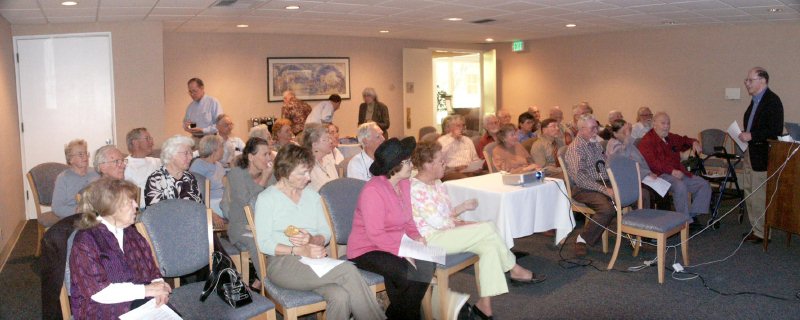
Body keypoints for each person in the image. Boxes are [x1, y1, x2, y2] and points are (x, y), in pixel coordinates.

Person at [410, 140, 544, 319]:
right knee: (488, 227)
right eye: (441, 161)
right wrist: (463, 224)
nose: (446, 164)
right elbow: (439, 223)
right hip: (431, 240)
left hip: (445, 232)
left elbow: (446, 214)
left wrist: (462, 211)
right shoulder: (416, 189)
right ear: (427, 164)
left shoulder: (437, 182)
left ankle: (484, 305)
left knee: (488, 245)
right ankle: (514, 268)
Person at [254, 144, 385, 320]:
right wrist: (298, 250)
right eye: (302, 173)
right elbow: (264, 243)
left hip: (314, 261)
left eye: (309, 171)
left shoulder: (312, 197)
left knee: (340, 297)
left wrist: (312, 239)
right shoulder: (266, 199)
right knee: (347, 270)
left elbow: (325, 233)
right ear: (285, 172)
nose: (308, 178)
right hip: (282, 264)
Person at [347, 137, 434, 320]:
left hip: (396, 242)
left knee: (427, 263)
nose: (412, 165)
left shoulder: (404, 184)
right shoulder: (373, 191)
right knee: (407, 275)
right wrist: (402, 251)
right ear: (394, 167)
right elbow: (375, 234)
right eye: (407, 162)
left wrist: (417, 238)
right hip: (367, 248)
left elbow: (409, 221)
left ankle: (393, 315)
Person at [69, 178, 170, 320]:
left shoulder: (131, 233)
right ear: (110, 208)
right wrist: (146, 290)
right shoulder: (86, 241)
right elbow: (99, 292)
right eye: (130, 202)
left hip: (138, 303)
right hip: (102, 310)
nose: (136, 205)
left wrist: (159, 288)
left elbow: (151, 269)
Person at [221, 137, 274, 290]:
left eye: (269, 154)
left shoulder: (272, 174)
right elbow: (246, 202)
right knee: (257, 241)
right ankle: (269, 285)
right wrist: (264, 178)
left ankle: (262, 281)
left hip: (264, 224)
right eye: (264, 155)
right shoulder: (236, 174)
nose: (269, 158)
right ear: (251, 157)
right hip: (241, 226)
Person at [739, 67, 784, 243]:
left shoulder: (772, 101)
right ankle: (756, 228)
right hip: (751, 152)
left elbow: (775, 130)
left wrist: (752, 135)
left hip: (763, 155)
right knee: (749, 191)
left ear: (762, 81)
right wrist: (745, 133)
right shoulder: (755, 101)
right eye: (747, 80)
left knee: (759, 194)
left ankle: (763, 233)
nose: (747, 83)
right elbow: (755, 126)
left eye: (750, 80)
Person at [638, 112, 711, 219]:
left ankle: (691, 216)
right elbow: (653, 163)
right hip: (659, 175)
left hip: (678, 172)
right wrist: (672, 171)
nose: (666, 126)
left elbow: (685, 140)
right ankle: (683, 222)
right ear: (654, 124)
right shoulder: (647, 141)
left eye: (668, 123)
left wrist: (694, 142)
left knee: (703, 184)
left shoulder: (670, 137)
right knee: (680, 187)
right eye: (663, 123)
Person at [564, 114, 614, 256]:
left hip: (601, 181)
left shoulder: (594, 143)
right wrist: (604, 189)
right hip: (583, 188)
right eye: (592, 128)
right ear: (581, 130)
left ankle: (636, 233)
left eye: (596, 127)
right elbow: (580, 178)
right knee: (607, 209)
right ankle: (582, 239)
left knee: (635, 194)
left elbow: (604, 165)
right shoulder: (576, 148)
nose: (596, 131)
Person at [606, 119, 654, 209]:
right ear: (615, 134)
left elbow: (640, 160)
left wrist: (648, 172)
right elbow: (624, 162)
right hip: (624, 180)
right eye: (624, 132)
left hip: (637, 175)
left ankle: (656, 219)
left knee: (659, 191)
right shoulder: (613, 144)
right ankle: (642, 220)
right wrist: (627, 138)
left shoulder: (626, 144)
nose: (627, 135)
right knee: (648, 193)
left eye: (628, 131)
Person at [144, 135, 202, 207]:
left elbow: (199, 206)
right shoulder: (156, 180)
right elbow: (155, 212)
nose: (190, 157)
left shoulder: (190, 178)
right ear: (171, 155)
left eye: (191, 153)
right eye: (186, 153)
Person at [53, 139, 99, 218]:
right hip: (75, 217)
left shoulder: (96, 173)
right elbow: (57, 208)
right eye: (80, 154)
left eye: (86, 153)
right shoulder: (63, 178)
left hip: (96, 215)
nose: (85, 156)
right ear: (70, 159)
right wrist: (79, 210)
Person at [189, 135, 226, 219]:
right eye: (221, 147)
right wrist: (210, 212)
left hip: (223, 201)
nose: (223, 150)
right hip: (210, 203)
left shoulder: (219, 165)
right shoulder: (198, 165)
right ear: (214, 149)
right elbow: (195, 194)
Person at [124, 128, 162, 207]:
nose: (152, 142)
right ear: (135, 143)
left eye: (151, 139)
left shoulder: (155, 161)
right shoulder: (124, 166)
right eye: (147, 139)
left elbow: (177, 158)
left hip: (161, 205)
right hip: (142, 209)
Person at [437, 114, 482, 180]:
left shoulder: (468, 140)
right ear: (450, 127)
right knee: (464, 179)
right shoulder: (442, 140)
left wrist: (478, 167)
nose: (462, 128)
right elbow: (438, 160)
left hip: (469, 171)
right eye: (458, 125)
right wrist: (453, 138)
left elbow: (475, 159)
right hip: (451, 172)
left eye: (463, 125)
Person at [302, 123, 338, 191]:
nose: (331, 141)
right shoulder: (306, 166)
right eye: (327, 139)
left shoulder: (328, 160)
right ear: (314, 144)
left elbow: (337, 185)